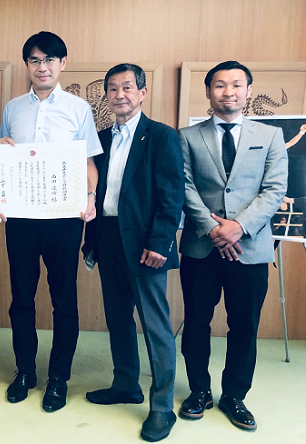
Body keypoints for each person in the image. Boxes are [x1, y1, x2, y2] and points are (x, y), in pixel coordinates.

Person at [0, 31, 102, 412]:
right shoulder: (13, 108)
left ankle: (58, 378)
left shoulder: (78, 109)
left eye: (50, 60)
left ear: (62, 64)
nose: (42, 67)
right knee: (21, 297)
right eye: (35, 60)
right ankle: (25, 371)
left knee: (63, 298)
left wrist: (90, 197)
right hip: (21, 219)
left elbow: (89, 163)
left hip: (64, 220)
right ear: (27, 65)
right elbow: (3, 158)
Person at [178, 60, 288, 432]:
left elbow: (274, 189)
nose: (229, 92)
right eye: (220, 85)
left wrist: (238, 227)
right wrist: (214, 229)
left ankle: (234, 395)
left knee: (244, 325)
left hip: (250, 248)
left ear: (248, 91)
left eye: (237, 85)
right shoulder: (187, 136)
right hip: (201, 247)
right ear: (209, 92)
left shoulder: (270, 135)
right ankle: (199, 391)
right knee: (196, 322)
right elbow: (184, 187)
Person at [82, 64, 184, 442]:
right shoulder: (101, 138)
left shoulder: (161, 136)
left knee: (155, 325)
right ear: (106, 96)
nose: (119, 94)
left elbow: (172, 194)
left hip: (145, 243)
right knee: (118, 317)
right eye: (112, 88)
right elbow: (94, 189)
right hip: (108, 237)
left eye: (127, 87)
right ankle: (125, 383)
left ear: (142, 92)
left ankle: (162, 407)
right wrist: (92, 239)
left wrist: (160, 242)